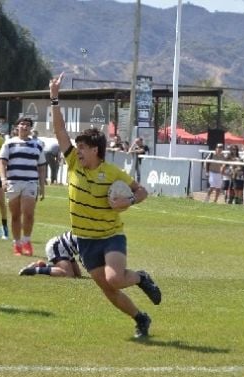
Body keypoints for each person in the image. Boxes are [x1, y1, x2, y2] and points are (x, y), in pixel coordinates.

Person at [50, 72, 161, 339]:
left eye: (83, 147)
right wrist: (54, 98)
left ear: (96, 150)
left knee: (114, 278)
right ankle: (140, 318)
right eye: (77, 147)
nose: (78, 151)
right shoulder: (74, 163)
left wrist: (130, 200)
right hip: (85, 240)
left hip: (110, 236)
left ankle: (142, 277)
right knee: (107, 288)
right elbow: (60, 131)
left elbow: (142, 191)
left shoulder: (113, 173)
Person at [0, 117, 46, 256]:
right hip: (13, 182)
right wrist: (3, 179)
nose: (25, 127)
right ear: (17, 127)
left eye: (28, 125)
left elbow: (42, 167)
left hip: (30, 182)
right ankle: (17, 243)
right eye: (22, 124)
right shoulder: (9, 143)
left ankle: (26, 241)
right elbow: (2, 163)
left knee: (29, 214)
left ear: (31, 128)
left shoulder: (38, 144)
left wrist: (42, 186)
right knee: (15, 215)